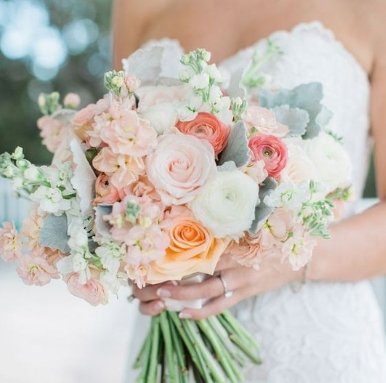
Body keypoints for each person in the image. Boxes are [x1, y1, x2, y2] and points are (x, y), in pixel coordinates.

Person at [113, 0, 386, 381]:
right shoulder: (138, 7)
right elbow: (117, 152)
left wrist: (287, 259)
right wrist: (136, 248)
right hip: (178, 343)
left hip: (315, 340)